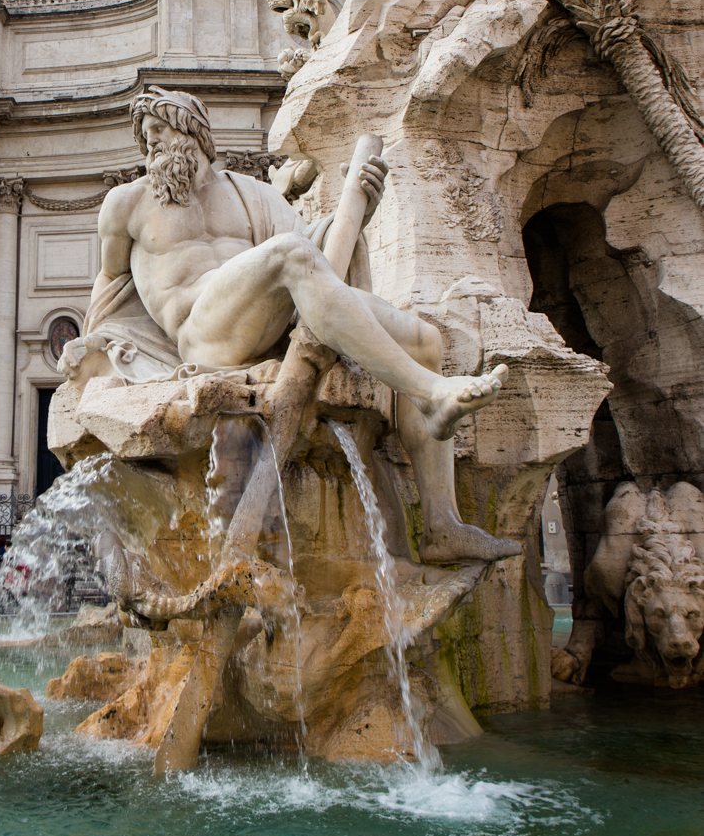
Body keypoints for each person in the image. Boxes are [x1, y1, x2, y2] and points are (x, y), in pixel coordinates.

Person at [87, 88, 516, 564]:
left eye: (159, 134)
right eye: (145, 141)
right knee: (289, 254)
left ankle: (442, 525)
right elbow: (110, 286)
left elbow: (319, 250)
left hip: (267, 319)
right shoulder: (126, 203)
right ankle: (431, 394)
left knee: (424, 339)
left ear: (194, 133)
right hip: (202, 335)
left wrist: (359, 209)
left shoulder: (252, 195)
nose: (151, 149)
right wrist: (96, 354)